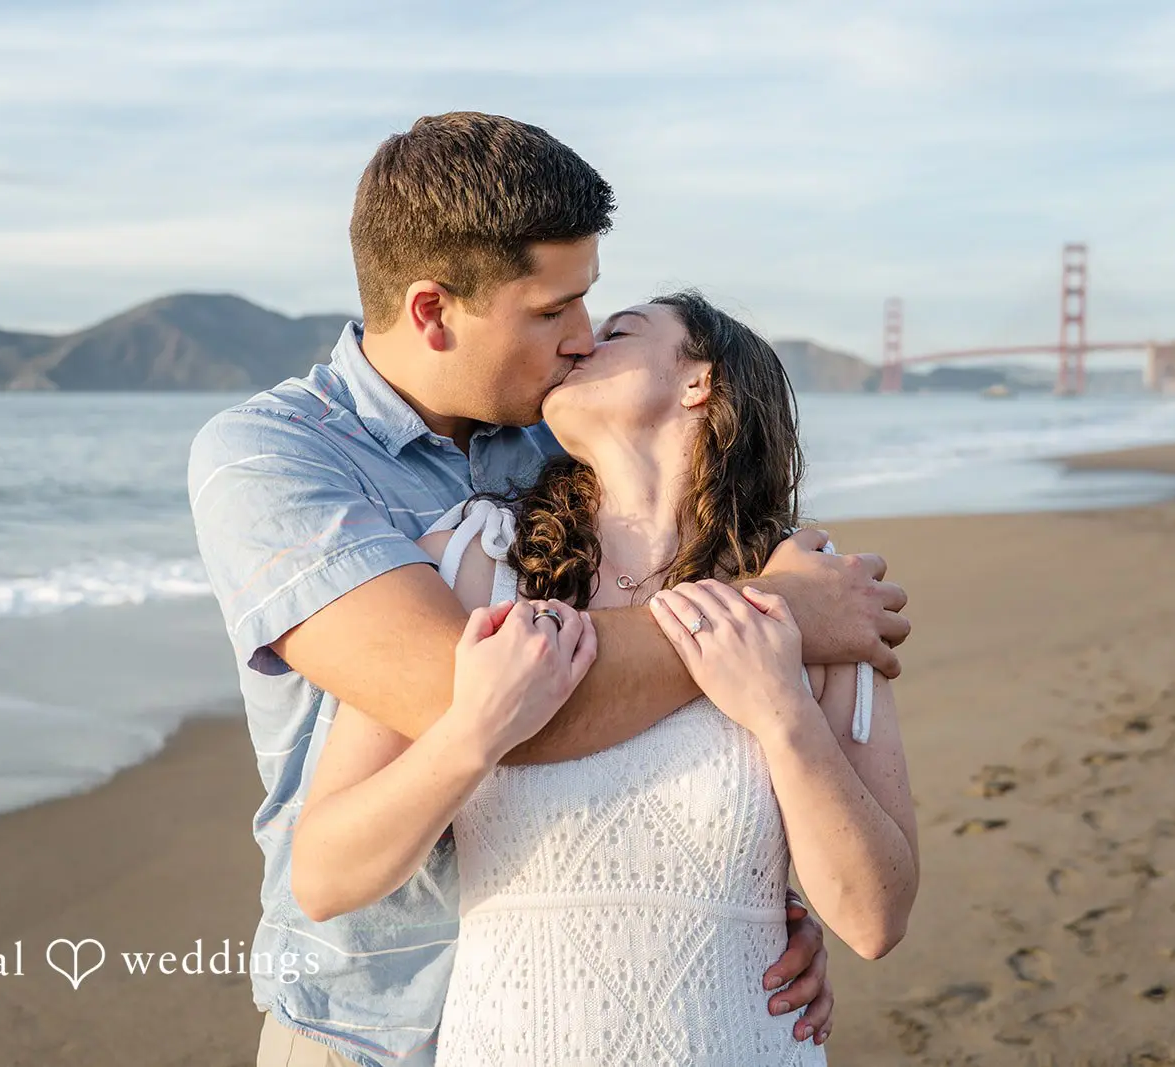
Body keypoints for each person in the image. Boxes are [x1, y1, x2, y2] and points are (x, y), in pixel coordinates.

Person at [189, 113, 911, 1067]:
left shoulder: (556, 446)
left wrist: (753, 893)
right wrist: (777, 620)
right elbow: (484, 700)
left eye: (594, 310)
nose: (578, 341)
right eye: (552, 312)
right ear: (433, 311)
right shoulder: (276, 458)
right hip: (369, 1018)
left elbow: (847, 887)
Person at [291, 291, 919, 1065]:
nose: (580, 342)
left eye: (618, 330)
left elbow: (874, 918)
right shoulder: (471, 562)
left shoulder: (813, 597)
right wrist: (473, 735)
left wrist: (783, 713)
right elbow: (322, 875)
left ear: (700, 382)